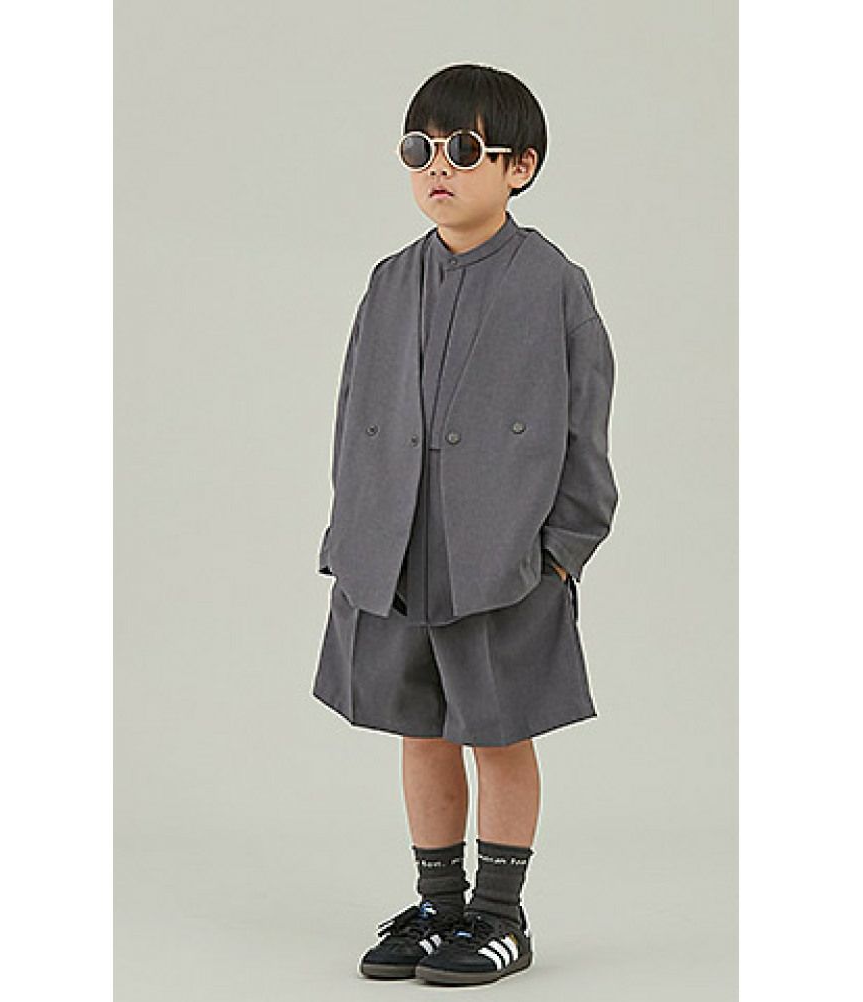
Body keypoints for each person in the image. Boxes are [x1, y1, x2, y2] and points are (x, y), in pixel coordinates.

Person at [312, 63, 619, 986]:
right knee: (421, 729)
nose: (437, 166)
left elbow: (585, 427)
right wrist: (351, 535)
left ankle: (499, 914)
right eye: (421, 148)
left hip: (504, 558)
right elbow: (354, 415)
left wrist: (561, 553)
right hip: (396, 552)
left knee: (499, 732)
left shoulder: (554, 283)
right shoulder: (388, 280)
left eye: (464, 148)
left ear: (520, 167)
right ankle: (439, 907)